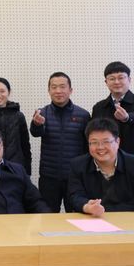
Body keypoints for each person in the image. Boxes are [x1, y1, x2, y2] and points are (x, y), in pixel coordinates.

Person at [67, 118, 134, 216]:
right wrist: (87, 207)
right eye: (94, 142)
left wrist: (105, 209)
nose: (100, 147)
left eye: (106, 142)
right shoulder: (78, 165)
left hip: (128, 220)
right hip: (93, 220)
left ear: (117, 142)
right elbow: (75, 197)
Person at [29, 72, 90, 212]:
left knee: (77, 215)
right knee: (47, 215)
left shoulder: (83, 115)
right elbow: (35, 133)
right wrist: (37, 124)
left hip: (75, 177)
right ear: (49, 90)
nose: (58, 91)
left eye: (62, 87)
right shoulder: (42, 113)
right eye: (54, 87)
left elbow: (88, 146)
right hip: (49, 176)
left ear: (70, 90)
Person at [91, 61, 134, 173]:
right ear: (106, 82)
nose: (117, 82)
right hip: (107, 160)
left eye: (121, 77)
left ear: (129, 80)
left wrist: (127, 117)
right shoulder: (99, 107)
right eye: (112, 78)